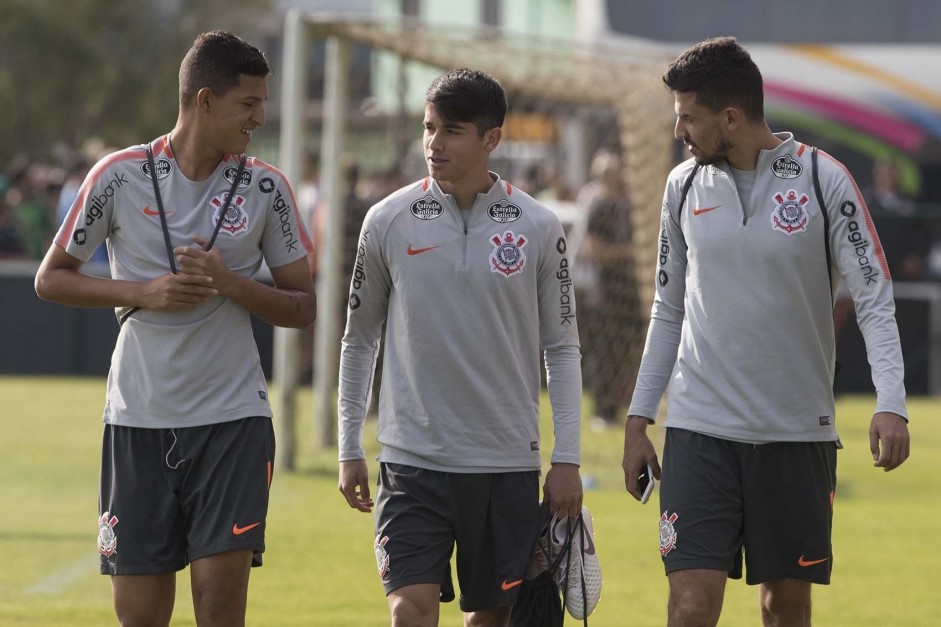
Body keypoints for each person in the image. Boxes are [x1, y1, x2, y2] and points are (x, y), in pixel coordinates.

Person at [621, 37, 910, 627]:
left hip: (795, 433)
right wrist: (637, 417)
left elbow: (875, 296)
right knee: (690, 605)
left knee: (785, 607)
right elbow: (668, 308)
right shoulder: (680, 187)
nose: (679, 130)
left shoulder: (826, 181)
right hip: (700, 432)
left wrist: (893, 403)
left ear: (731, 117)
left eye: (688, 117)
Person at [34, 31, 316, 627]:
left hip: (232, 422)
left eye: (263, 104)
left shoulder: (267, 186)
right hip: (138, 418)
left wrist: (233, 282)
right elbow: (50, 280)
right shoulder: (117, 175)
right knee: (139, 614)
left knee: (219, 604)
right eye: (249, 104)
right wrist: (142, 292)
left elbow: (303, 306)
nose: (260, 119)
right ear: (205, 100)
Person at [337, 68, 584, 627]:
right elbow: (359, 339)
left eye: (451, 130)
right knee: (409, 611)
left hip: (504, 463)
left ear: (490, 139)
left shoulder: (539, 225)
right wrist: (348, 443)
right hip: (410, 461)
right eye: (429, 128)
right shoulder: (386, 219)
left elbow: (562, 348)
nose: (433, 143)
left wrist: (566, 457)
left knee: (490, 619)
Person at [575, 150, 644, 430]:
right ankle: (602, 411)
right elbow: (592, 250)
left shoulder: (630, 206)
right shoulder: (599, 206)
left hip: (630, 292)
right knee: (604, 351)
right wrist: (627, 253)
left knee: (629, 352)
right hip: (604, 292)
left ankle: (621, 408)